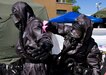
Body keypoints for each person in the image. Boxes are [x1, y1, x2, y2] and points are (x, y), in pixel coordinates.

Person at [11, 1, 53, 75]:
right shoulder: (26, 26)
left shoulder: (34, 24)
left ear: (23, 12)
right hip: (28, 66)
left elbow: (43, 36)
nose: (17, 20)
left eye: (17, 16)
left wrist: (45, 44)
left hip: (35, 68)